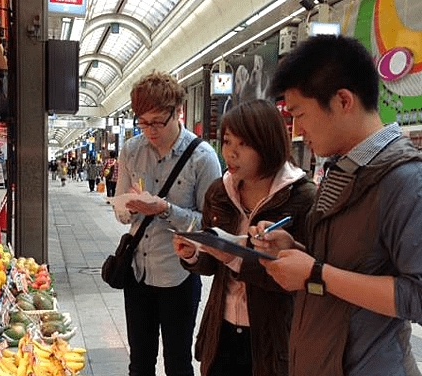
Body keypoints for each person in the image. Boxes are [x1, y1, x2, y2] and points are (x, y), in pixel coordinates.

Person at [255, 34, 422, 375]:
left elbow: (418, 296)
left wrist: (315, 273)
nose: (297, 129)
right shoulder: (343, 168)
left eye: (300, 114)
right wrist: (295, 250)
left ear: (344, 101)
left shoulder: (406, 180)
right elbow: (351, 263)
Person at [173, 99, 316, 376]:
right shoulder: (220, 192)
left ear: (268, 144)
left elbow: (299, 279)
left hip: (272, 338)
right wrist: (192, 253)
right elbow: (212, 266)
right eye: (227, 142)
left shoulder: (301, 197)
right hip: (222, 329)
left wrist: (236, 259)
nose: (231, 154)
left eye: (244, 145)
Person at [115, 71, 222, 376]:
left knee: (178, 362)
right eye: (142, 121)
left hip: (180, 274)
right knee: (139, 362)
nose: (149, 130)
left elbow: (211, 224)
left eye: (157, 121)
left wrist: (163, 208)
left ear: (177, 112)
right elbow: (121, 209)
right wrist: (128, 209)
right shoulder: (132, 150)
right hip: (138, 272)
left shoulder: (202, 157)